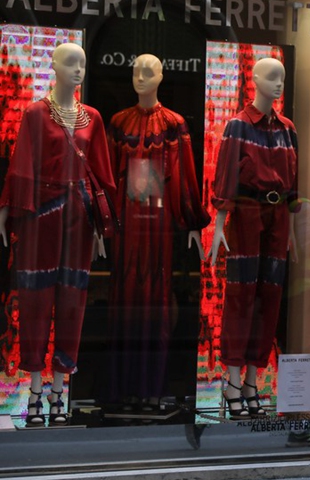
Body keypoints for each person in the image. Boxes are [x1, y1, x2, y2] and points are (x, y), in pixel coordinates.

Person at [0, 42, 116, 426]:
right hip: (41, 218)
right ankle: (34, 387)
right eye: (70, 62)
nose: (78, 70)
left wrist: (100, 225)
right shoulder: (35, 113)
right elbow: (21, 165)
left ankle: (58, 389)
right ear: (53, 65)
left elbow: (100, 173)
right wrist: (10, 212)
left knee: (71, 303)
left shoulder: (93, 118)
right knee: (35, 303)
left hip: (79, 219)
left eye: (83, 63)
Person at [105, 54, 210, 412]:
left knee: (156, 304)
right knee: (124, 304)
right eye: (135, 71)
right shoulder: (119, 122)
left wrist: (193, 221)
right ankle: (121, 391)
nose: (140, 77)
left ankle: (152, 391)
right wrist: (101, 224)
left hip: (159, 231)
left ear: (162, 76)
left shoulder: (174, 124)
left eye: (148, 71)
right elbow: (106, 178)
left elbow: (185, 175)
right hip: (125, 227)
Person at [208, 57, 300, 419]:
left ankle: (251, 382)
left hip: (278, 218)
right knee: (241, 298)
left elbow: (293, 180)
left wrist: (291, 228)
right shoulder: (237, 126)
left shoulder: (288, 129)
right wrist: (219, 224)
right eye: (272, 77)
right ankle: (231, 381)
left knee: (269, 300)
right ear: (255, 79)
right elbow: (226, 175)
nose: (278, 84)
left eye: (282, 78)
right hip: (246, 214)